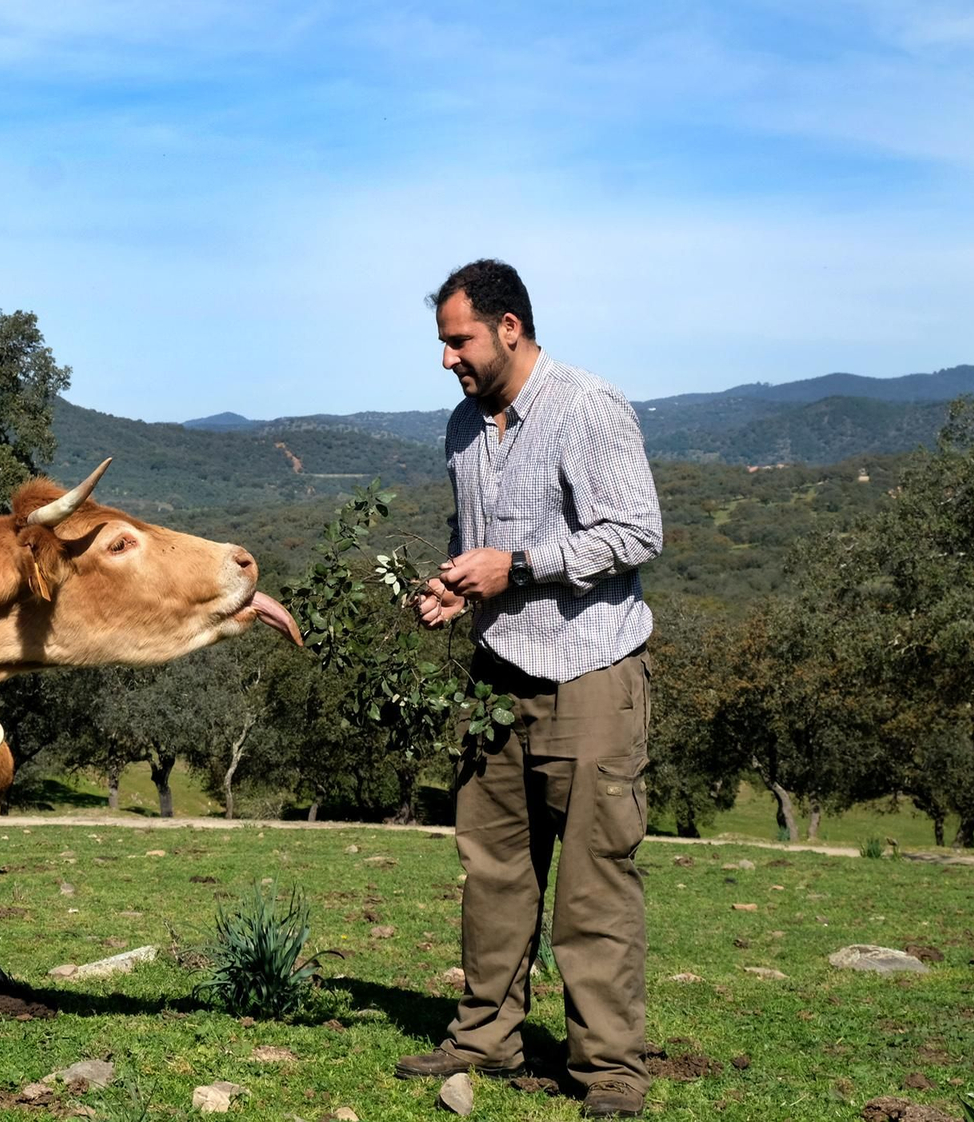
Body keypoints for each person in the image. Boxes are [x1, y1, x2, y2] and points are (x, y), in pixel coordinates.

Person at [399, 259, 663, 1119]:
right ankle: (485, 1038)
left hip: (591, 673)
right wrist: (452, 584)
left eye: (458, 340)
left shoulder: (587, 406)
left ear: (508, 327)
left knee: (594, 883)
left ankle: (610, 1071)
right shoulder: (462, 428)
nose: (447, 359)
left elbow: (635, 533)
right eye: (443, 343)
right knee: (494, 874)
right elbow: (469, 536)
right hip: (493, 682)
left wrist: (516, 567)